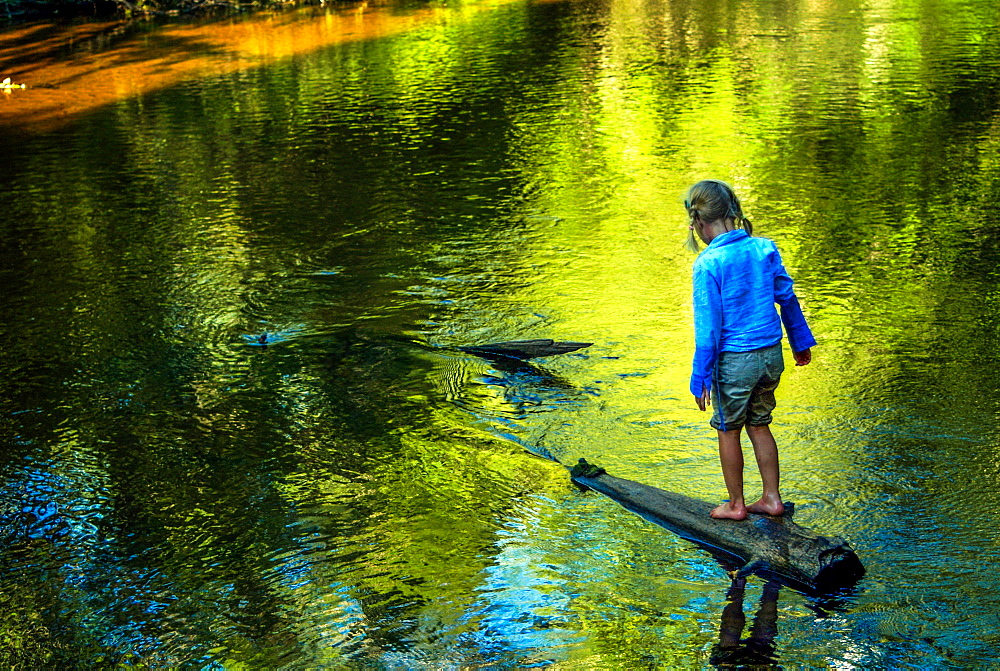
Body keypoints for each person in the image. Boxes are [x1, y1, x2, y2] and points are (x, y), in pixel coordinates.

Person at [685, 179, 815, 520]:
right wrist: (800, 343)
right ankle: (772, 498)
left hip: (735, 362)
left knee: (728, 429)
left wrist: (700, 376)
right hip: (771, 356)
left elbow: (709, 330)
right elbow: (786, 298)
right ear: (732, 212)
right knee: (760, 424)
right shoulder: (764, 249)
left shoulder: (708, 264)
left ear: (699, 222)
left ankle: (736, 504)